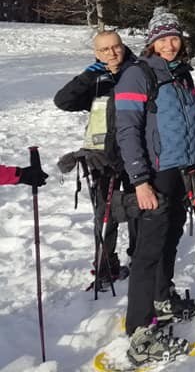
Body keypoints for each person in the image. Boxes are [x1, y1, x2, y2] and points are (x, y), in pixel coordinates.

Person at [114, 8, 195, 364]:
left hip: (181, 171)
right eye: (162, 39)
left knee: (170, 239)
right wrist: (139, 181)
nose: (170, 44)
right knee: (148, 252)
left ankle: (162, 300)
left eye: (174, 37)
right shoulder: (137, 76)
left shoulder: (183, 75)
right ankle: (139, 333)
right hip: (153, 174)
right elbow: (127, 133)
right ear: (151, 42)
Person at [54, 30, 138, 291]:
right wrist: (88, 75)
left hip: (135, 152)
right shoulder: (96, 78)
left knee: (139, 207)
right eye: (104, 50)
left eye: (116, 47)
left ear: (123, 47)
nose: (112, 53)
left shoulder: (137, 72)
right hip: (102, 156)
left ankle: (139, 258)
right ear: (96, 54)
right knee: (105, 213)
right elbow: (63, 101)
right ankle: (106, 265)